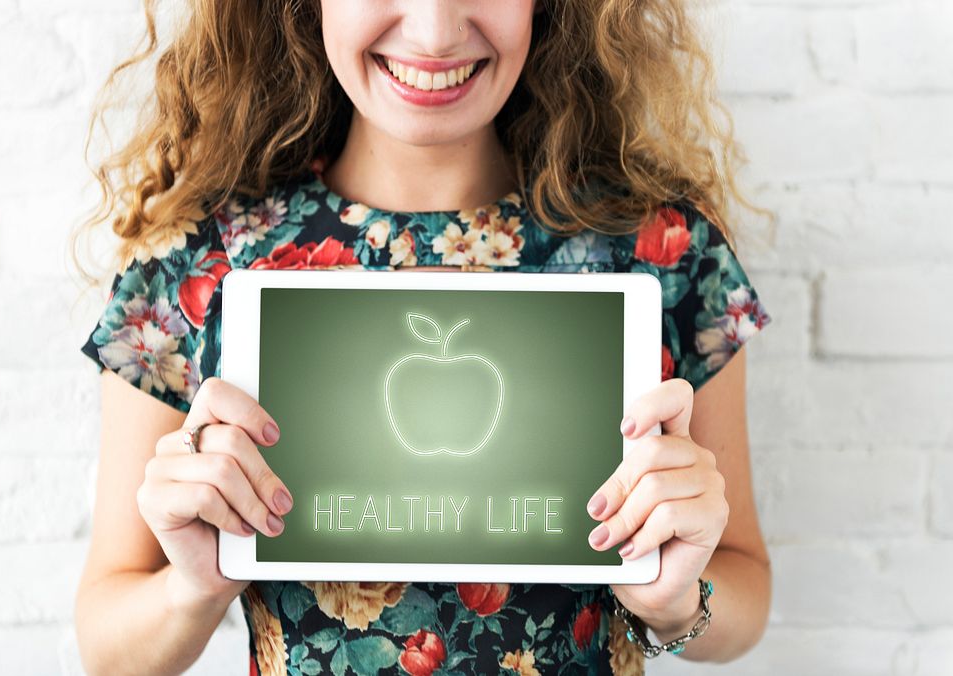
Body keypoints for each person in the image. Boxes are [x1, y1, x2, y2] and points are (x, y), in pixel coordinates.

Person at [70, 1, 774, 674]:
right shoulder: (199, 260)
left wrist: (676, 600)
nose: (435, 32)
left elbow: (745, 593)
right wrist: (192, 588)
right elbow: (107, 646)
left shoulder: (666, 250)